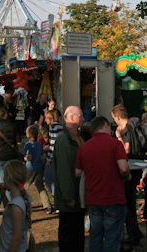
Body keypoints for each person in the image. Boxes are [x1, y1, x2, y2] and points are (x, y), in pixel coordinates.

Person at [75, 116, 130, 252]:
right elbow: (123, 168)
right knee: (112, 236)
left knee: (95, 235)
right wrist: (127, 175)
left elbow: (77, 172)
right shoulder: (115, 144)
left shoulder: (84, 147)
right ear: (105, 125)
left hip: (93, 197)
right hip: (113, 196)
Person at [111, 104, 146, 245]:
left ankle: (132, 233)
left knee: (127, 203)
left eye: (114, 118)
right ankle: (135, 231)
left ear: (118, 117)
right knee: (130, 201)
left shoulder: (124, 131)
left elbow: (125, 150)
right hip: (138, 166)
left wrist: (118, 137)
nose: (114, 121)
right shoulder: (135, 126)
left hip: (129, 169)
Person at [54, 105, 86, 252]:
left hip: (78, 194)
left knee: (77, 233)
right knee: (69, 234)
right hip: (70, 197)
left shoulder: (76, 138)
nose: (83, 119)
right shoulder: (64, 140)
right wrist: (68, 196)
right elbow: (64, 170)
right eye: (81, 116)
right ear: (72, 118)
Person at [0, 107, 22, 216]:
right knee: (6, 183)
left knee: (3, 183)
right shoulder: (12, 126)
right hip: (10, 156)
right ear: (5, 115)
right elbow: (17, 140)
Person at [0, 160, 33, 252]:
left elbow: (17, 237)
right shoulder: (22, 198)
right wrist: (3, 195)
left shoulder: (16, 206)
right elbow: (9, 213)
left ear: (8, 178)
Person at [24, 125, 52, 213]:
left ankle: (22, 204)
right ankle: (47, 205)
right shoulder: (39, 145)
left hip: (30, 168)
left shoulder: (28, 145)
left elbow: (29, 156)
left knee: (24, 187)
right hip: (39, 167)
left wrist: (25, 158)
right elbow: (43, 156)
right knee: (40, 187)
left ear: (28, 135)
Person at [44, 108, 63, 204]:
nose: (45, 121)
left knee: (48, 177)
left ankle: (57, 198)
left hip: (54, 157)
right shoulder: (60, 127)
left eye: (46, 119)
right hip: (60, 156)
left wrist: (48, 159)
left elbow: (52, 145)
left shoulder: (52, 128)